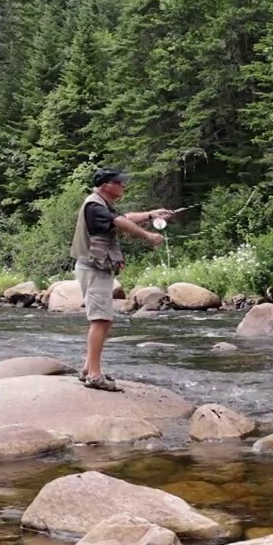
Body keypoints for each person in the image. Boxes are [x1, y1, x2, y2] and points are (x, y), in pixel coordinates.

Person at [70, 167, 172, 391]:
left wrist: (151, 215)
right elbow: (122, 223)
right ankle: (95, 376)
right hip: (93, 269)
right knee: (100, 320)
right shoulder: (94, 205)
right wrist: (149, 236)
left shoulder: (100, 205)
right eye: (119, 182)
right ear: (107, 185)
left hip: (96, 269)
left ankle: (88, 368)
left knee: (104, 320)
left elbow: (124, 217)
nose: (123, 185)